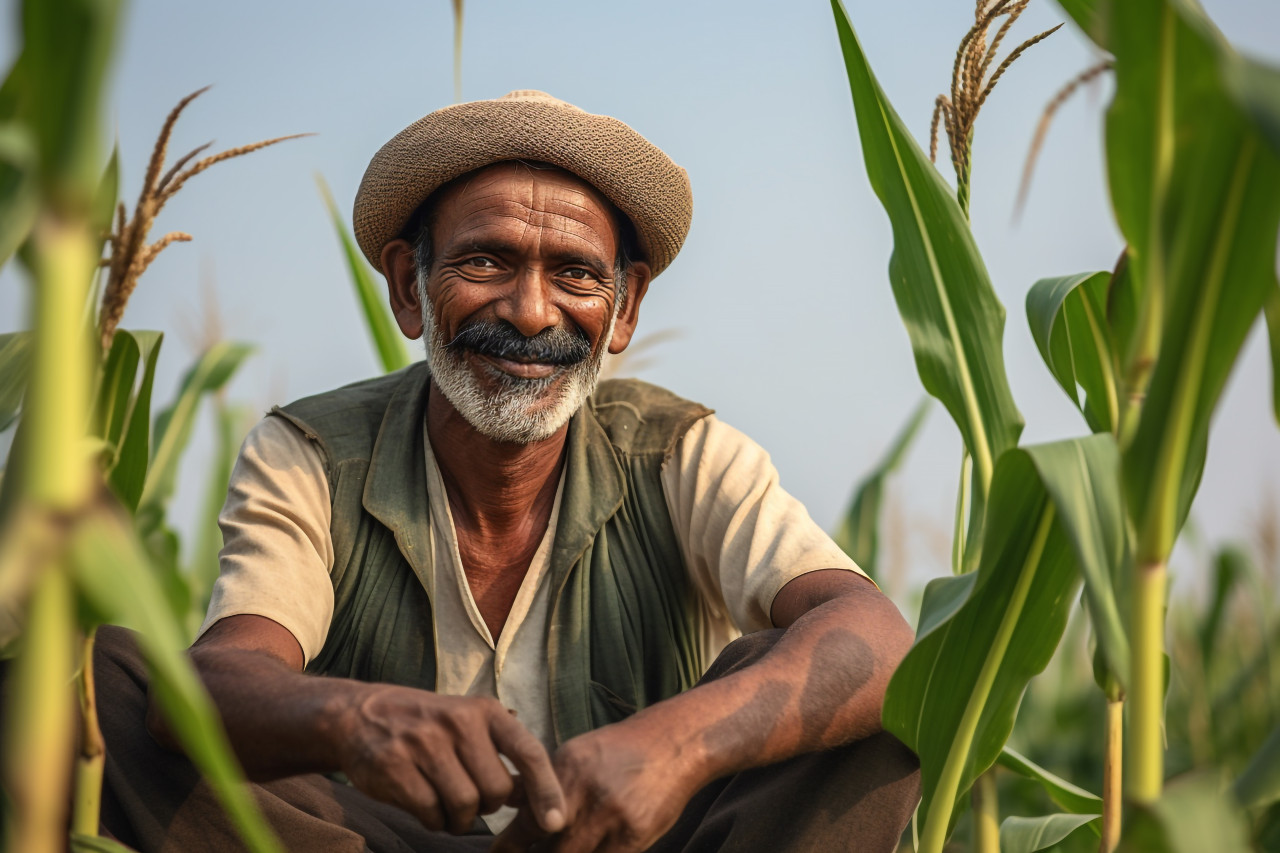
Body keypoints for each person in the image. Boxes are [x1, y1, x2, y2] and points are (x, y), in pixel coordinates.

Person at [95, 90, 920, 852]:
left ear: (624, 308)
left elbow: (879, 641)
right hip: (376, 841)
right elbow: (215, 683)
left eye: (575, 273)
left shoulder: (684, 453)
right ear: (408, 290)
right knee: (97, 683)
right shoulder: (310, 452)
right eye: (484, 262)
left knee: (858, 700)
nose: (531, 311)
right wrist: (356, 717)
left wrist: (679, 743)